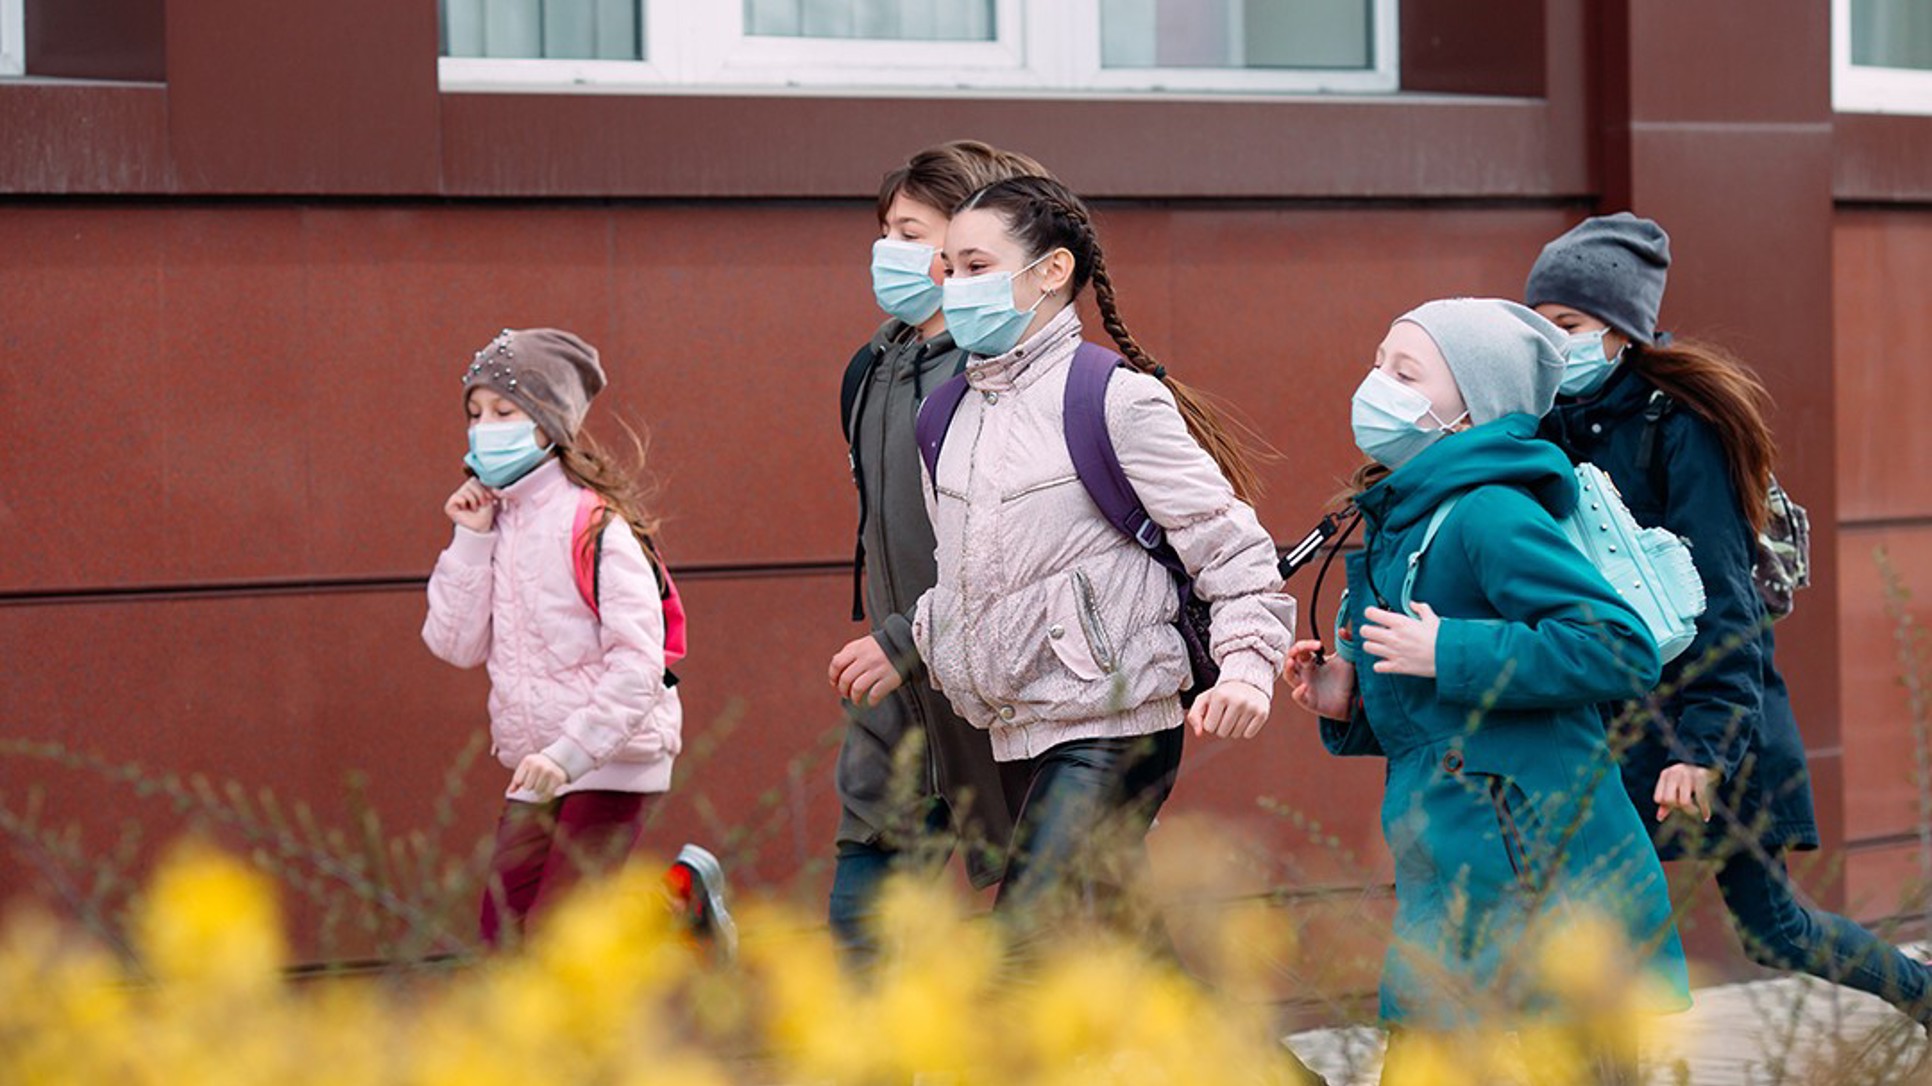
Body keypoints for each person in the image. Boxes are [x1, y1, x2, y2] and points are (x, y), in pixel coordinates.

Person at [847, 175, 1297, 934]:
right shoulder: (944, 414)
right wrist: (919, 642)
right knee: (1139, 961)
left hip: (1114, 726)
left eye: (977, 267)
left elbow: (1234, 552)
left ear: (1052, 271)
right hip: (1012, 727)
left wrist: (1250, 669)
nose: (953, 286)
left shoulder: (1113, 398)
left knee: (1022, 954)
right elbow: (965, 574)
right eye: (949, 269)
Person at [1528, 213, 1932, 1025]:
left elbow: (1723, 596)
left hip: (1704, 715)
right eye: (1536, 326)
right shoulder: (1548, 422)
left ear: (1619, 328)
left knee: (1774, 931)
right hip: (1604, 709)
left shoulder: (1678, 425)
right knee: (1586, 925)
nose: (1549, 344)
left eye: (1565, 325)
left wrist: (1703, 748)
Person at [1285, 299, 1690, 1049]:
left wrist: (1450, 652)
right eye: (1379, 364)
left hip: (1537, 881)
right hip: (1449, 866)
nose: (1378, 386)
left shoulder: (1489, 514)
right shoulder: (1398, 518)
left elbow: (1616, 645)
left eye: (1406, 372)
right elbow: (1440, 717)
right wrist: (1354, 702)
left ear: (1469, 411)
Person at [423, 328, 732, 956]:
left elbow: (640, 665)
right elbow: (453, 643)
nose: (485, 427)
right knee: (502, 937)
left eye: (505, 412)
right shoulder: (499, 523)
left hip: (611, 757)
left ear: (547, 426)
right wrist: (471, 538)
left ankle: (670, 905)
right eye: (475, 413)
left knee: (558, 936)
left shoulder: (595, 526)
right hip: (537, 765)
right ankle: (671, 902)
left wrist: (571, 753)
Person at [825, 141, 1049, 970]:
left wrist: (906, 639)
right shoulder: (871, 369)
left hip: (1002, 691)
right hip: (896, 700)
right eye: (885, 229)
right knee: (866, 925)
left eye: (909, 230)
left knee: (1067, 933)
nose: (889, 249)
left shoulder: (1004, 374)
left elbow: (1018, 550)